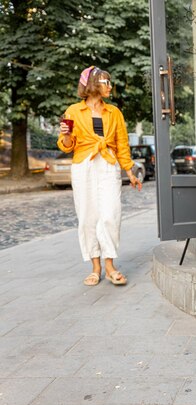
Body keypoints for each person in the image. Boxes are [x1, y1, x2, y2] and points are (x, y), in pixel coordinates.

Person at [57, 66, 142, 287]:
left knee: (111, 214)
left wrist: (130, 172)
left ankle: (110, 265)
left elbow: (122, 144)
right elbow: (68, 146)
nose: (110, 86)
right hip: (83, 164)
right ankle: (95, 267)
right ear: (93, 84)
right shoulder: (73, 111)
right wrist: (65, 136)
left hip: (108, 163)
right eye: (106, 82)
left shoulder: (114, 112)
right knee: (87, 216)